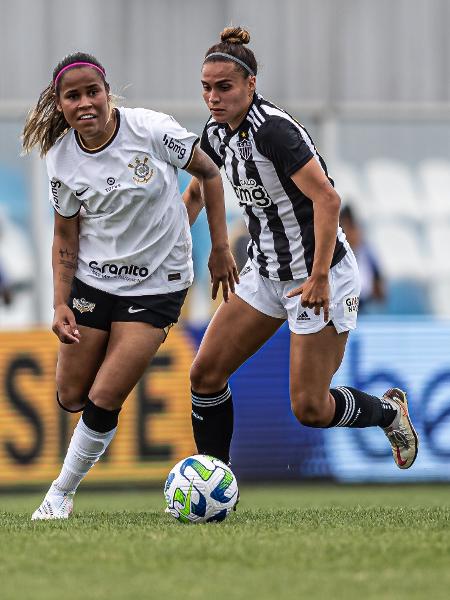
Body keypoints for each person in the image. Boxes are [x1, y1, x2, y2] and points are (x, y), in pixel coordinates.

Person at [183, 27, 418, 472]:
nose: (213, 98)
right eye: (206, 88)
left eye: (224, 87)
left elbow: (328, 199)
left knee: (310, 408)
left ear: (251, 85)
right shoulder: (215, 134)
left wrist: (320, 276)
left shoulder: (274, 132)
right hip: (265, 273)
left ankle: (389, 413)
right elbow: (197, 193)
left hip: (317, 277)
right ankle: (215, 482)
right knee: (204, 375)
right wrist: (168, 242)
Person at [22, 52, 237, 519]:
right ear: (59, 104)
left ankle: (59, 493)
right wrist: (60, 302)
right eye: (73, 96)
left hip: (159, 284)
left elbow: (210, 172)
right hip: (94, 281)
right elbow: (65, 234)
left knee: (105, 396)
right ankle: (97, 418)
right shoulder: (60, 159)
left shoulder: (152, 130)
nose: (86, 103)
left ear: (107, 93)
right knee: (71, 396)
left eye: (92, 92)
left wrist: (219, 247)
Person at [339, 204, 385, 312]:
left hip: (364, 305)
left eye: (352, 228)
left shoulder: (368, 253)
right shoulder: (334, 256)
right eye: (345, 229)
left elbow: (380, 291)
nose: (350, 234)